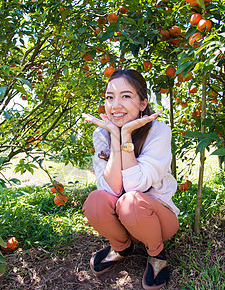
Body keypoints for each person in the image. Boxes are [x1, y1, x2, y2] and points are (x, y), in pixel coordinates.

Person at [81, 69, 179, 290]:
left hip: (158, 219)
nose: (115, 104)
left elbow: (135, 186)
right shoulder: (102, 134)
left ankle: (156, 253)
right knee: (96, 201)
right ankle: (121, 247)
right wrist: (115, 136)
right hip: (123, 217)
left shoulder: (159, 131)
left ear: (143, 103)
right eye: (109, 97)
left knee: (131, 201)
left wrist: (126, 137)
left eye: (125, 96)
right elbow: (112, 189)